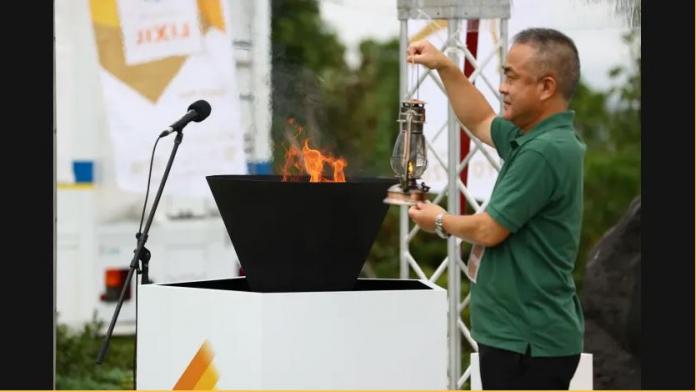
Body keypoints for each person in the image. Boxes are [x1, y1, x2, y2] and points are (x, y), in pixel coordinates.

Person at [407, 28, 586, 390]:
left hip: (528, 341)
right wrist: (444, 65)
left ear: (547, 87)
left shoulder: (543, 150)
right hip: (521, 337)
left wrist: (437, 220)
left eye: (512, 77)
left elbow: (490, 229)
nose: (502, 87)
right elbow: (480, 120)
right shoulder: (533, 137)